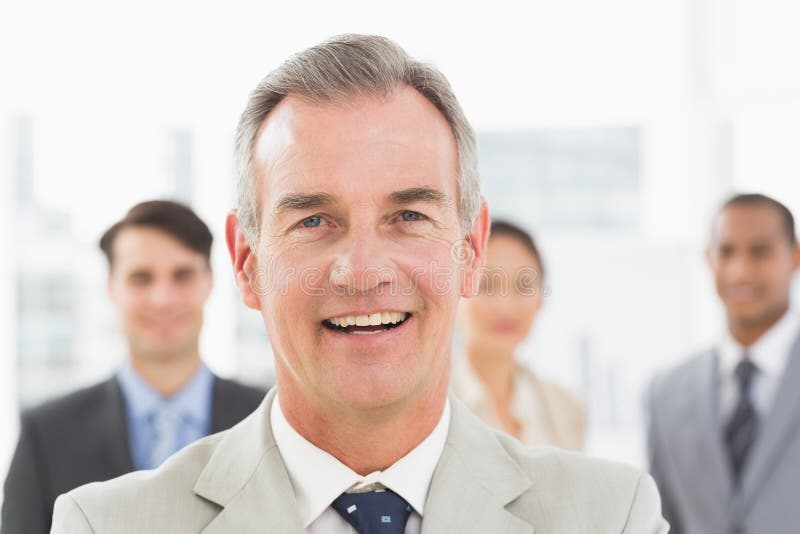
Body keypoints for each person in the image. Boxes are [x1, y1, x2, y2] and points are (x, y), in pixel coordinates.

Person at [51, 34, 667, 533]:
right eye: (314, 220)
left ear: (471, 250)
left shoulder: (612, 516)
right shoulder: (105, 525)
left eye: (409, 217)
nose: (364, 271)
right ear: (245, 261)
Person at [2, 200, 266, 534]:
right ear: (112, 287)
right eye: (142, 278)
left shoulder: (268, 418)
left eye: (182, 276)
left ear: (209, 282)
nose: (163, 299)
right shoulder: (46, 435)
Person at [647, 193, 800, 534]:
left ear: (795, 257)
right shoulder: (665, 393)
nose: (740, 271)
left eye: (760, 252)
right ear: (708, 258)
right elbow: (662, 520)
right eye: (726, 252)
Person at [451, 219, 585, 450]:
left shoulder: (566, 408)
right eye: (487, 286)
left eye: (523, 286)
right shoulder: (425, 407)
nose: (506, 307)